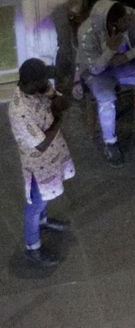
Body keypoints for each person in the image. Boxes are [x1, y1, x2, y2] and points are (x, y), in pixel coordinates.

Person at [74, 0, 135, 164]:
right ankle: (110, 142)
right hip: (97, 72)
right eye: (122, 22)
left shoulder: (130, 14)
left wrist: (127, 56)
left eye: (126, 18)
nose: (127, 22)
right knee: (106, 98)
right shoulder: (86, 32)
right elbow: (94, 68)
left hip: (124, 64)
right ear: (111, 25)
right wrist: (110, 51)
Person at [8, 58, 73, 268]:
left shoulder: (39, 89)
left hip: (51, 158)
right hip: (38, 164)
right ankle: (32, 247)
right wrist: (58, 118)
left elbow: (64, 103)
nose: (47, 82)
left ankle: (43, 222)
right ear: (31, 82)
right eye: (44, 80)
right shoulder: (20, 111)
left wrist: (54, 94)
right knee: (35, 204)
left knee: (44, 197)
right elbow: (42, 144)